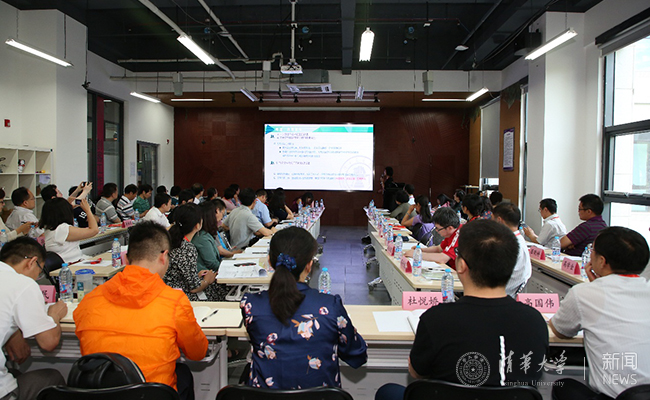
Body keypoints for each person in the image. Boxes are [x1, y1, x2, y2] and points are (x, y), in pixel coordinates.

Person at [375, 220, 548, 400]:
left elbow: (417, 372)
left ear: (460, 265)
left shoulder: (437, 318)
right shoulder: (535, 321)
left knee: (387, 392)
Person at [74, 222, 207, 400]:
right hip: (152, 394)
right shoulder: (174, 301)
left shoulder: (90, 300)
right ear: (164, 256)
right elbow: (198, 353)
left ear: (126, 259)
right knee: (182, 373)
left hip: (100, 393)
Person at [241, 227, 367, 389]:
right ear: (309, 265)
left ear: (270, 262)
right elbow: (357, 353)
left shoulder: (250, 305)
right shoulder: (329, 306)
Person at [550, 227, 650, 400]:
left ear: (602, 261)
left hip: (615, 397)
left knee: (564, 385)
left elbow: (560, 330)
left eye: (593, 250)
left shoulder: (583, 293)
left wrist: (594, 287)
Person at [0, 237, 67, 400]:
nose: (36, 278)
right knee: (52, 378)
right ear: (31, 262)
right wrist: (54, 315)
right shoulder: (22, 283)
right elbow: (48, 342)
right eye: (39, 272)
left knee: (15, 372)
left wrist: (13, 333)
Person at [163, 204, 222, 301]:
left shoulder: (169, 241)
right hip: (182, 296)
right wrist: (207, 280)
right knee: (220, 290)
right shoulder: (187, 248)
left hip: (169, 292)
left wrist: (196, 276)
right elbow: (194, 288)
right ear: (198, 225)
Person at [40, 198, 99, 263]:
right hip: (72, 263)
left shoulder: (51, 228)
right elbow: (94, 230)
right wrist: (87, 210)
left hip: (73, 261)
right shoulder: (62, 229)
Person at [191, 202, 229, 300]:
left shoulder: (205, 235)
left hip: (209, 277)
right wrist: (229, 269)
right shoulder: (202, 237)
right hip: (207, 280)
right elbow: (212, 263)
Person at [492, 203, 531, 297]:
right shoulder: (517, 240)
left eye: (492, 220)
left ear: (499, 220)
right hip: (506, 293)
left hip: (499, 295)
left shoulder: (508, 245)